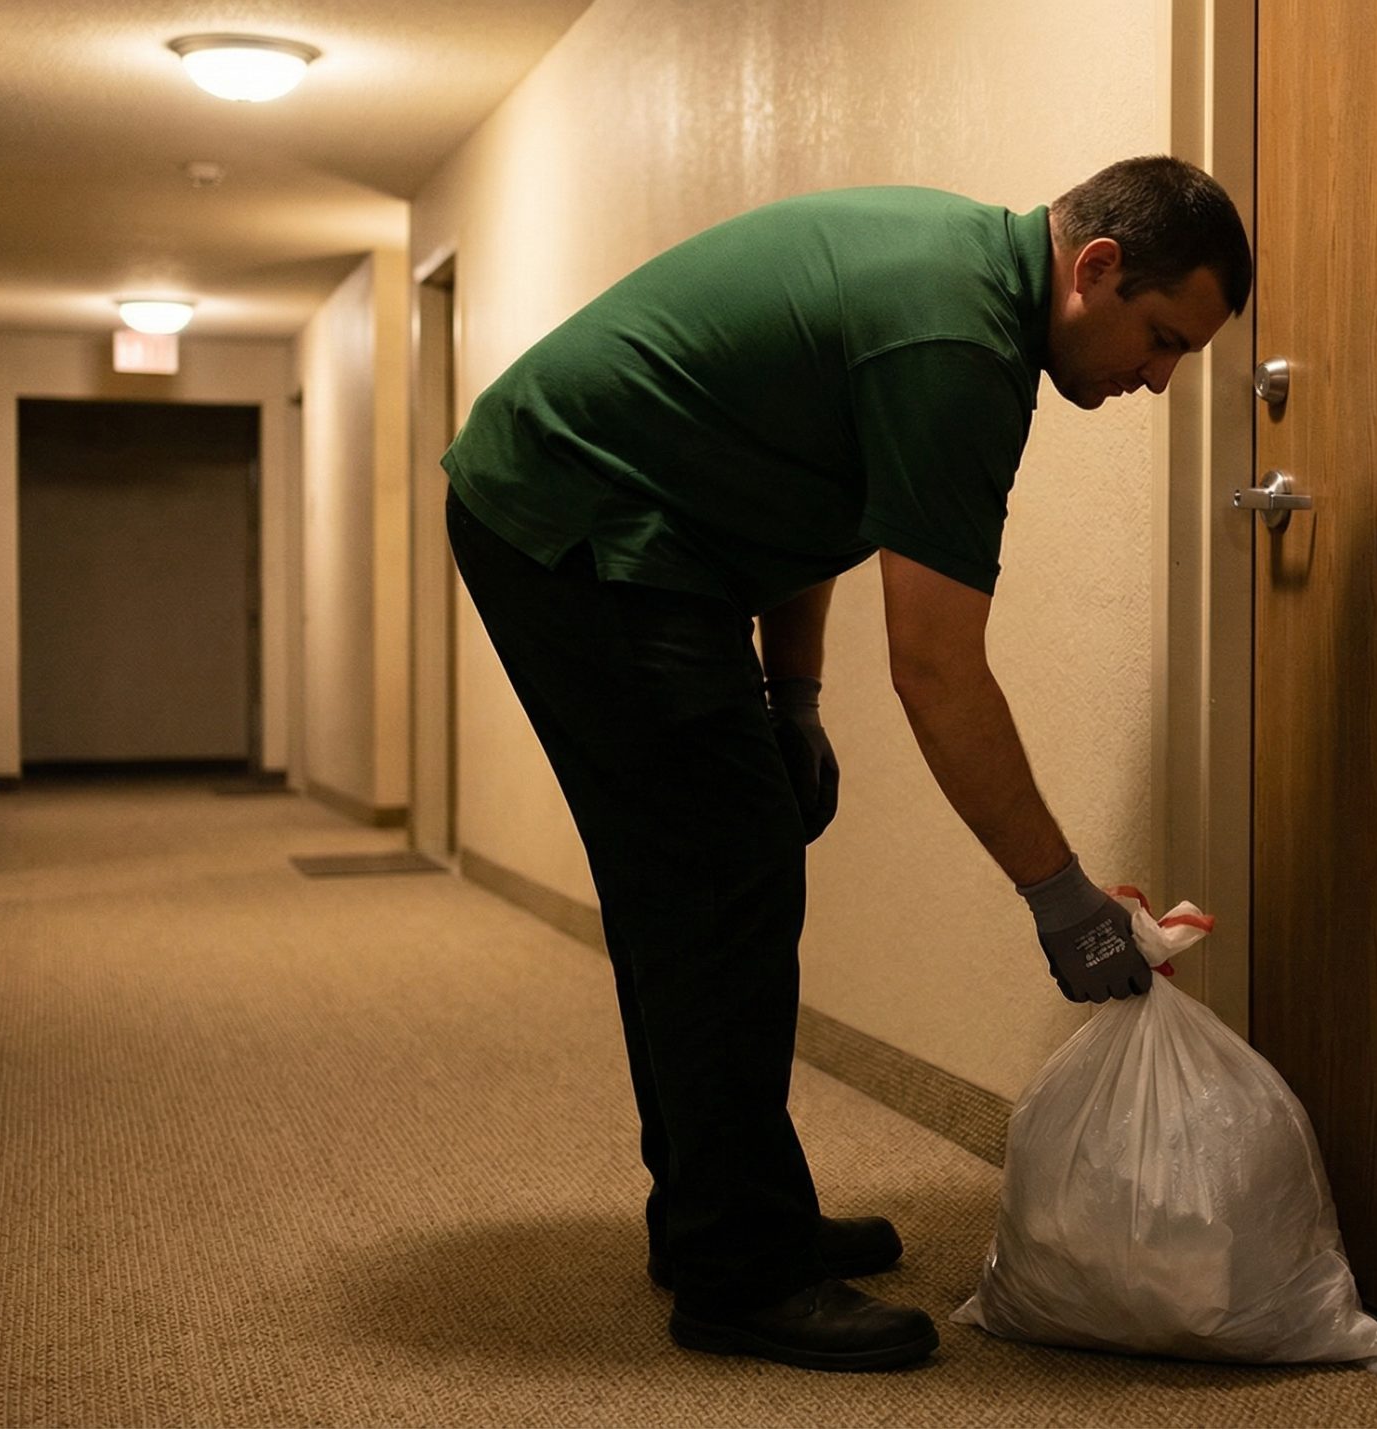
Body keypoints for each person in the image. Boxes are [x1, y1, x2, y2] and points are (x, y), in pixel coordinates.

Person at [441, 155, 1252, 1373]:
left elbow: (807, 500)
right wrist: (1061, 899)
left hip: (640, 529)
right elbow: (937, 669)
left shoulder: (961, 283)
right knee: (721, 874)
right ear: (1094, 268)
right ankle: (737, 1268)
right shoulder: (957, 346)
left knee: (708, 867)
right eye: (1162, 339)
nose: (1159, 378)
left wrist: (795, 696)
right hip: (573, 519)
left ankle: (719, 1207)